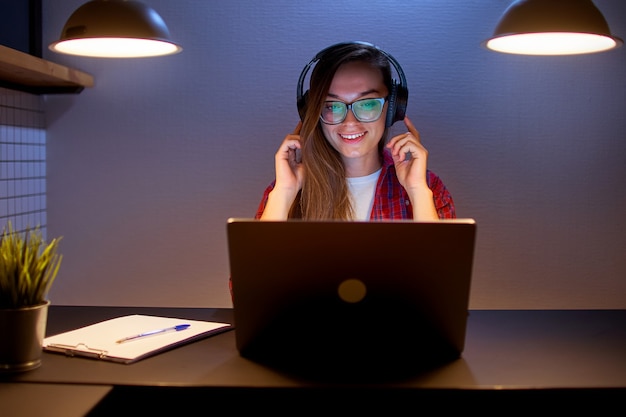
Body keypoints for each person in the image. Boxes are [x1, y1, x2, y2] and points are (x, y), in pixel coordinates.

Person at [255, 41, 455, 221]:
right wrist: (284, 192)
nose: (350, 122)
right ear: (314, 112)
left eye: (367, 104)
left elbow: (445, 263)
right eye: (332, 106)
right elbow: (256, 263)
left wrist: (417, 191)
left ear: (392, 107)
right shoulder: (282, 189)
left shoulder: (427, 187)